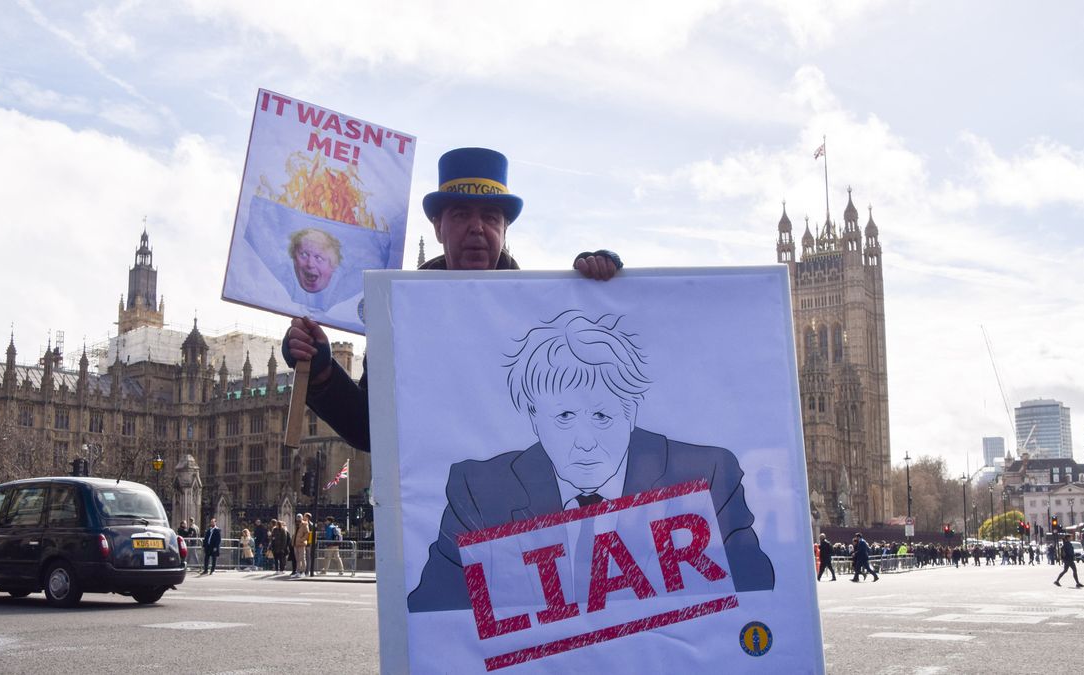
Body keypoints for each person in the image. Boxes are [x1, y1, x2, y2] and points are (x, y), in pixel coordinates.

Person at [407, 311, 774, 612]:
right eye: (564, 417)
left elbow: (758, 601)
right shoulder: (480, 491)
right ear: (535, 419)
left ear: (631, 413)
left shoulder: (705, 478)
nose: (584, 443)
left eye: (602, 417)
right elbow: (434, 618)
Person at [281, 147, 622, 453]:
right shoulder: (398, 313)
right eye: (460, 214)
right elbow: (371, 431)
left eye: (490, 217)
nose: (476, 227)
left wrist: (601, 292)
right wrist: (323, 372)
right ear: (437, 226)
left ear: (505, 230)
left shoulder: (546, 315)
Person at [293, 513, 310, 577]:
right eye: (297, 518)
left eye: (299, 518)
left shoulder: (305, 524)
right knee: (297, 559)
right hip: (296, 544)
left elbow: (307, 533)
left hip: (301, 544)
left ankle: (303, 572)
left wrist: (301, 539)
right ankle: (298, 571)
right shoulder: (296, 524)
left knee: (302, 558)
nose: (298, 519)